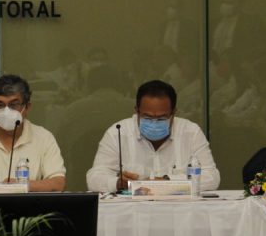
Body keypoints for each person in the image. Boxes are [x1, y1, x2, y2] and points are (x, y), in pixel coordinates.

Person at [86, 79, 220, 193]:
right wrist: (118, 183)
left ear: (173, 113)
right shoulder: (118, 133)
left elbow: (212, 177)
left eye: (162, 118)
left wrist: (168, 181)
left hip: (179, 212)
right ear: (137, 111)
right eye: (147, 117)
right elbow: (94, 178)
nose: (154, 122)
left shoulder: (191, 132)